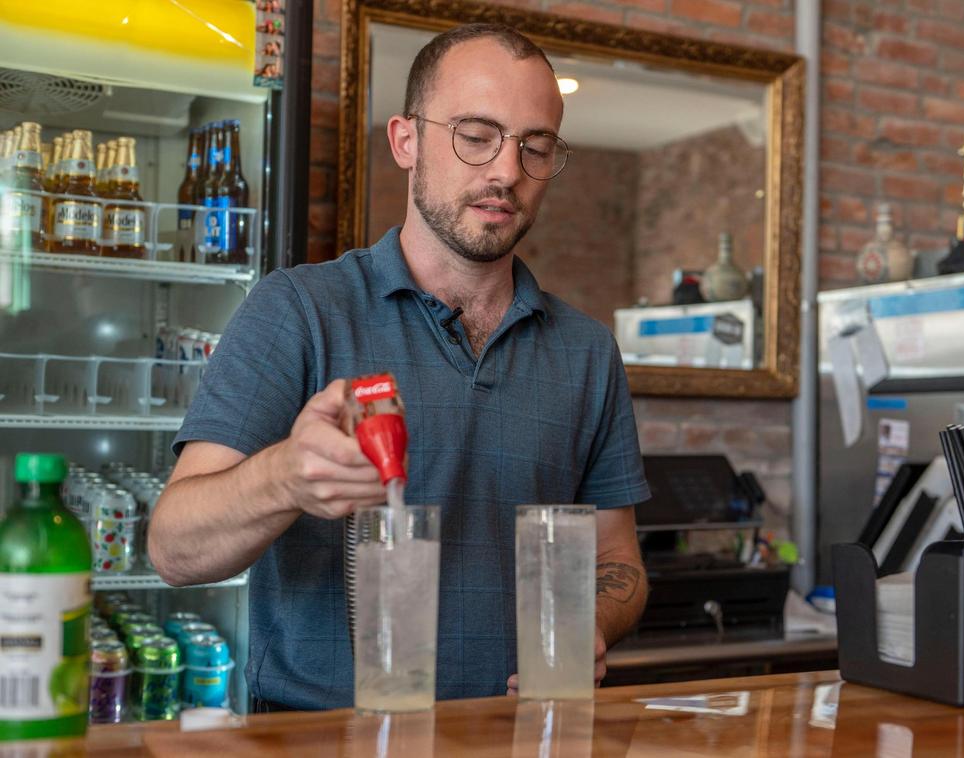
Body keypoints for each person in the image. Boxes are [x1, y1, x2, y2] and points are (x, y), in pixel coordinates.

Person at [149, 22, 651, 711]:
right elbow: (174, 550)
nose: (506, 172)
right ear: (405, 140)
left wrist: (591, 624)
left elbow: (617, 562)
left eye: (534, 148)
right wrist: (285, 475)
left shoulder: (587, 351)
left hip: (517, 732)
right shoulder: (298, 310)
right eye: (476, 136)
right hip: (319, 737)